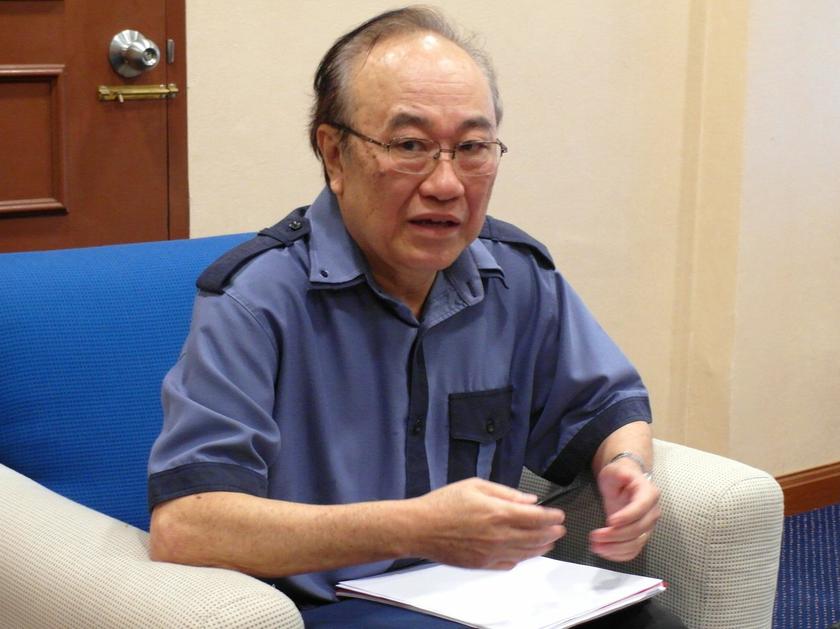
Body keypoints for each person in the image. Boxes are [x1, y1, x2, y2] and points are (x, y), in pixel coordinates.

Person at [148, 6, 684, 627]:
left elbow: (609, 405)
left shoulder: (515, 276)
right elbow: (186, 526)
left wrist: (626, 468)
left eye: (473, 148)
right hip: (323, 609)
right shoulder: (255, 298)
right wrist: (416, 527)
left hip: (487, 600)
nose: (447, 184)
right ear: (334, 155)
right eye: (410, 146)